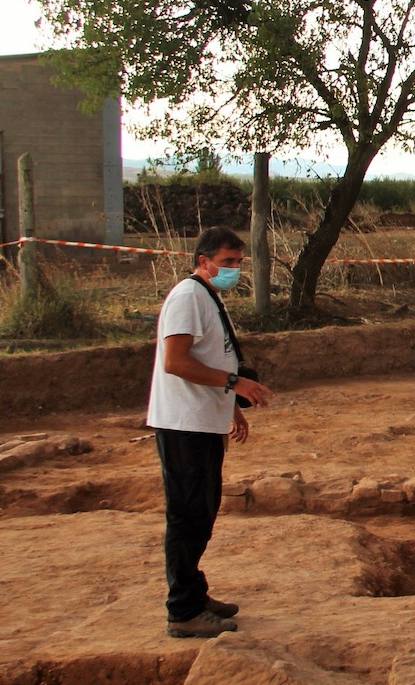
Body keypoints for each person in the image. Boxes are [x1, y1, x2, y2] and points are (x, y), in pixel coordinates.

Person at [147, 226, 273, 638]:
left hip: (201, 420)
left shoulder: (208, 296)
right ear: (203, 262)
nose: (234, 270)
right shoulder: (187, 298)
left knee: (201, 512)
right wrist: (234, 385)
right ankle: (182, 611)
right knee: (188, 516)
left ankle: (194, 594)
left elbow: (211, 356)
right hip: (183, 425)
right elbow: (177, 362)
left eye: (238, 263)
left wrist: (229, 409)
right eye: (227, 263)